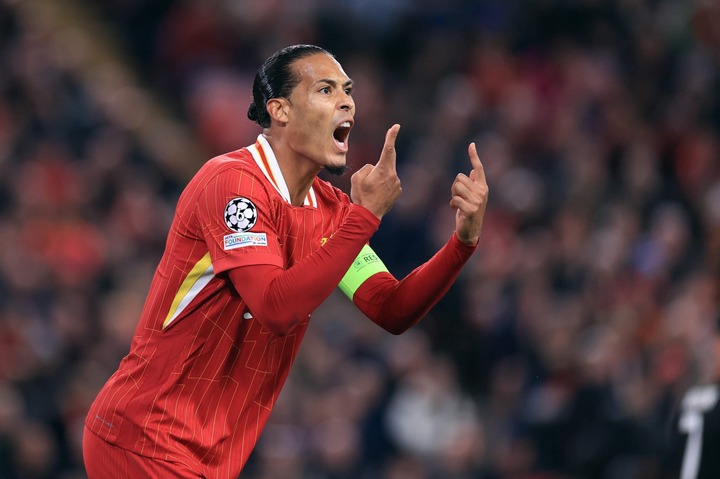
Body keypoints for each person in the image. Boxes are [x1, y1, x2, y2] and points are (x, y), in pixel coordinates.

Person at [82, 44, 489, 479]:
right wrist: (366, 216)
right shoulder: (232, 184)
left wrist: (462, 243)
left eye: (348, 91)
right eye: (326, 89)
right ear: (280, 110)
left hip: (209, 458)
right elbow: (275, 308)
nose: (347, 101)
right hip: (143, 439)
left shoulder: (331, 213)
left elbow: (390, 308)